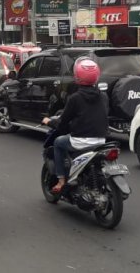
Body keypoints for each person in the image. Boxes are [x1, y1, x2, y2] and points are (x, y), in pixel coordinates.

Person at [41, 58, 108, 194]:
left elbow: (61, 123)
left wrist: (48, 121)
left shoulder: (75, 98)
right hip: (102, 141)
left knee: (59, 142)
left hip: (80, 141)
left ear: (77, 77)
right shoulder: (104, 96)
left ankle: (61, 180)